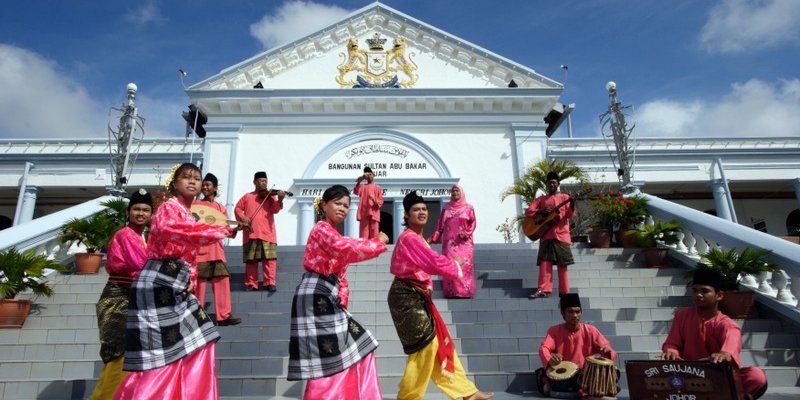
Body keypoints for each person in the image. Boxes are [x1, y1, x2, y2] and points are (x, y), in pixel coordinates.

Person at [115, 163, 239, 400]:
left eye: (197, 178)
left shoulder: (187, 213)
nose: (193, 181)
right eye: (186, 177)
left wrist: (225, 230)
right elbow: (179, 231)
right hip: (159, 282)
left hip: (177, 285)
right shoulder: (168, 209)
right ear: (174, 184)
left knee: (202, 339)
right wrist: (221, 230)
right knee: (160, 355)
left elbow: (191, 243)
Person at [388, 191, 494, 400]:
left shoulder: (418, 238)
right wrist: (455, 266)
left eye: (424, 209)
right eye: (416, 210)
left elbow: (432, 260)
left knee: (442, 344)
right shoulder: (409, 238)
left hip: (417, 296)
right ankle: (408, 397)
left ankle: (466, 391)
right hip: (406, 297)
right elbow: (433, 262)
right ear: (407, 215)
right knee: (425, 347)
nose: (421, 212)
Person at [287, 185, 389, 399]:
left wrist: (343, 296)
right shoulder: (321, 229)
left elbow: (343, 264)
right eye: (337, 203)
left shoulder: (332, 233)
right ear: (323, 205)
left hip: (326, 294)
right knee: (329, 358)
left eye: (346, 205)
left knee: (359, 347)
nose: (343, 209)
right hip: (315, 295)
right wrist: (377, 243)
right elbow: (344, 247)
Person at [659, 269, 768, 400]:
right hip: (687, 375)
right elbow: (672, 343)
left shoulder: (727, 325)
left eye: (704, 291)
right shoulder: (682, 315)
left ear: (719, 295)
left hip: (718, 376)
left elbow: (730, 348)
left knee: (756, 376)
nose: (698, 295)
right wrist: (671, 352)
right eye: (695, 290)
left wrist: (724, 354)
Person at [89, 189, 152, 400]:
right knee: (118, 359)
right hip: (118, 301)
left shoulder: (146, 238)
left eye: (145, 210)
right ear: (128, 212)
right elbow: (140, 266)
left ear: (151, 214)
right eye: (136, 209)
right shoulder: (124, 235)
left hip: (136, 300)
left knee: (129, 361)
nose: (140, 214)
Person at [536, 293, 617, 397]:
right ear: (563, 313)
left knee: (613, 372)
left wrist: (607, 352)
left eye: (577, 312)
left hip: (586, 375)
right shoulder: (554, 331)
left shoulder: (591, 331)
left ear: (581, 312)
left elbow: (612, 352)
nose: (575, 315)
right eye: (570, 312)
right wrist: (550, 359)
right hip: (564, 375)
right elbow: (544, 348)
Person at [193, 172, 241, 326]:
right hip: (200, 251)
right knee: (198, 285)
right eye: (204, 185)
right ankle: (196, 316)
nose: (205, 187)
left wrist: (236, 229)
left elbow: (226, 229)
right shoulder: (195, 205)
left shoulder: (220, 208)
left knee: (222, 281)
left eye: (208, 185)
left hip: (217, 251)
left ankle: (224, 315)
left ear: (214, 188)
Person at [526, 171, 575, 299]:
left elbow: (569, 215)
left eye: (554, 182)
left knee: (562, 265)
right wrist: (541, 210)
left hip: (562, 235)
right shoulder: (541, 199)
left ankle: (565, 292)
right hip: (546, 235)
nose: (551, 184)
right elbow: (529, 211)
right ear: (546, 185)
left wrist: (573, 202)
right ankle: (543, 289)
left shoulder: (565, 197)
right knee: (545, 263)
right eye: (549, 183)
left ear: (558, 183)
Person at [235, 171, 284, 292]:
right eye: (261, 181)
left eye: (266, 181)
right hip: (251, 233)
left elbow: (275, 210)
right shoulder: (247, 196)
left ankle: (270, 282)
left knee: (269, 259)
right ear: (255, 182)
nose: (264, 183)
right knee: (251, 260)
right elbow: (237, 208)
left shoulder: (270, 196)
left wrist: (280, 200)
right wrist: (242, 217)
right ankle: (251, 283)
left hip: (268, 232)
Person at [428, 184, 477, 298]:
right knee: (451, 265)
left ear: (461, 193)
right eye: (453, 192)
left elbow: (473, 223)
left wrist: (465, 234)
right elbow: (440, 225)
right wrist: (434, 237)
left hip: (464, 243)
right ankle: (452, 292)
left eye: (457, 191)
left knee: (464, 265)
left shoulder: (469, 208)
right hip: (449, 243)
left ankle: (465, 292)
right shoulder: (446, 208)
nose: (454, 193)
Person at [353, 166, 383, 239]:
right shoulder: (362, 186)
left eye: (371, 174)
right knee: (364, 232)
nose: (369, 176)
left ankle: (374, 247)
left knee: (375, 232)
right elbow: (356, 192)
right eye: (368, 175)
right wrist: (361, 179)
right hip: (364, 211)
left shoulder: (377, 188)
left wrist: (375, 201)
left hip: (374, 212)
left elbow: (380, 200)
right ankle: (364, 248)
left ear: (374, 175)